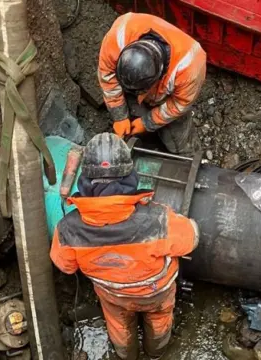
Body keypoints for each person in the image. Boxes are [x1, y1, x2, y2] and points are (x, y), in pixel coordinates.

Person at [50, 133, 199, 359]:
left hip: (113, 296)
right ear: (130, 177)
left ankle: (126, 355)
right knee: (159, 322)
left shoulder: (67, 230)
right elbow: (190, 240)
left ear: (85, 181)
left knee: (119, 327)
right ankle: (156, 352)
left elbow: (65, 266)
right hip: (156, 293)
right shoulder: (158, 219)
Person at [98, 12, 206, 156]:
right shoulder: (117, 39)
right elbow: (107, 76)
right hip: (134, 82)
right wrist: (120, 116)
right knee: (131, 112)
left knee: (179, 140)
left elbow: (179, 104)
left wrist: (148, 122)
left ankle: (189, 157)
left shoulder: (189, 67)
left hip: (168, 98)